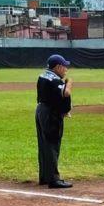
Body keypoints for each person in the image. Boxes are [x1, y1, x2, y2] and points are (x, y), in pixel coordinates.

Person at [35, 54, 74, 189]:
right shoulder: (55, 80)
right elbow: (66, 93)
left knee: (44, 145)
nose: (66, 70)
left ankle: (45, 177)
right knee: (52, 144)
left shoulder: (42, 76)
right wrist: (69, 83)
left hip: (41, 110)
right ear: (57, 67)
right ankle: (53, 179)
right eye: (64, 66)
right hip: (50, 114)